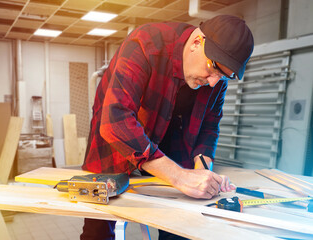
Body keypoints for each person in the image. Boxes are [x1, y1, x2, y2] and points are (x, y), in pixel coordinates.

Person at [80, 15, 254, 240]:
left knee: (180, 227)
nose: (213, 82)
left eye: (223, 76)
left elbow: (210, 126)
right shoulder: (145, 44)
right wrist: (179, 177)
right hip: (115, 147)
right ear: (196, 43)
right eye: (214, 69)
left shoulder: (215, 77)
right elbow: (116, 119)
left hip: (171, 146)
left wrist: (202, 168)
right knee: (98, 230)